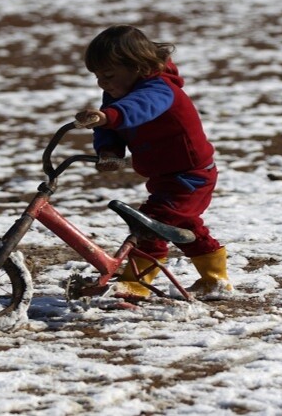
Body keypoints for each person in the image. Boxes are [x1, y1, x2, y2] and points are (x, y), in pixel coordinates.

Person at [74, 25, 232, 299]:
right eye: (97, 77)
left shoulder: (159, 89)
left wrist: (107, 116)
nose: (102, 83)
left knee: (150, 225)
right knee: (184, 227)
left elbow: (136, 109)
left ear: (136, 67)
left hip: (190, 174)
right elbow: (110, 126)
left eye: (108, 75)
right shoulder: (116, 95)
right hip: (164, 175)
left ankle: (135, 286)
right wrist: (109, 150)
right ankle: (215, 279)